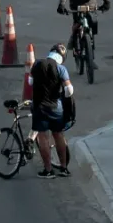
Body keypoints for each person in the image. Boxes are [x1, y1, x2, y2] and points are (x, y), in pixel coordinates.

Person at [29, 44, 75, 178]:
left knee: (43, 137)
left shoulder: (37, 65)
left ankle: (48, 170)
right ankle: (64, 168)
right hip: (56, 107)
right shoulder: (61, 69)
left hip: (40, 107)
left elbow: (30, 82)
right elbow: (69, 90)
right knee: (58, 136)